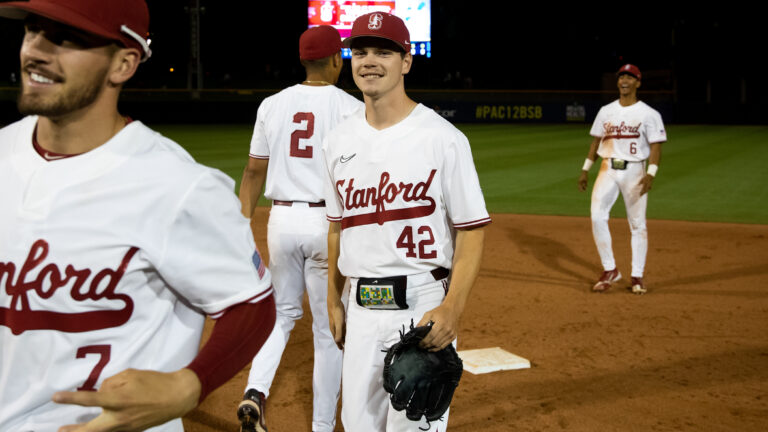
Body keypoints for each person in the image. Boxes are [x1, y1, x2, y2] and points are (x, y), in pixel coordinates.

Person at [0, 1, 276, 431]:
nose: (35, 49)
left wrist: (191, 384)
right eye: (33, 30)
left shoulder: (177, 184)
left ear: (123, 64)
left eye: (66, 38)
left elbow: (251, 302)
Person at [322, 12, 491, 432]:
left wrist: (453, 307)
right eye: (360, 52)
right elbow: (336, 226)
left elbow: (470, 230)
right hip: (360, 307)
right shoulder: (336, 140)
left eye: (384, 51)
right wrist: (332, 298)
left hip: (422, 307)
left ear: (407, 61)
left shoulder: (442, 138)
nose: (369, 61)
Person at [236, 25, 362, 432]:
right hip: (327, 224)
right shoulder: (350, 107)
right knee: (328, 330)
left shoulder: (272, 104)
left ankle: (255, 393)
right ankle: (322, 426)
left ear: (303, 59)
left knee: (281, 314)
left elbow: (253, 171)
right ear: (336, 60)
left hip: (281, 221)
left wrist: (241, 228)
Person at [578, 64, 667, 294]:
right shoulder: (606, 111)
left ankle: (637, 276)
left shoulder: (649, 114)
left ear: (638, 82)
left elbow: (656, 146)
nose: (624, 80)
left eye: (630, 77)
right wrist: (586, 169)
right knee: (597, 216)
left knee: (637, 224)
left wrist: (651, 173)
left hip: (635, 171)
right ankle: (610, 270)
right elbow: (596, 142)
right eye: (621, 77)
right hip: (607, 168)